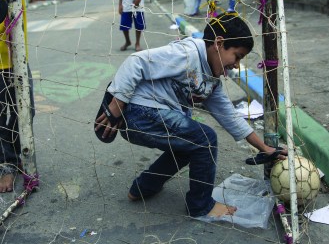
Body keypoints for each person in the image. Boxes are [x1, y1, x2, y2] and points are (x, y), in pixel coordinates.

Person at [95, 13, 287, 218]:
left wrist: (265, 148)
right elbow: (136, 61)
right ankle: (201, 205)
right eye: (237, 56)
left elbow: (231, 117)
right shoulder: (187, 53)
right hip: (138, 111)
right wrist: (116, 105)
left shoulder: (211, 81)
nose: (237, 64)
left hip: (152, 116)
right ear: (219, 43)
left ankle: (142, 188)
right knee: (205, 139)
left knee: (189, 146)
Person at [0, 0, 56, 192]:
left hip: (13, 59)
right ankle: (7, 165)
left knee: (25, 110)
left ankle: (20, 157)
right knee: (0, 116)